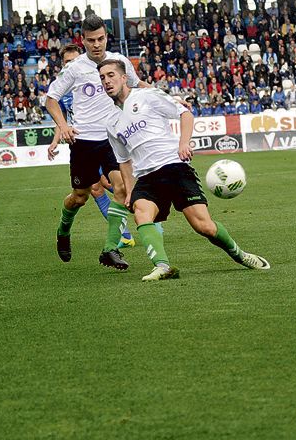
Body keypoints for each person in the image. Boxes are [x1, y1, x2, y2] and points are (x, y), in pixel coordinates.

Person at [98, 59, 270, 280]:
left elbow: (184, 113)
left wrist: (183, 143)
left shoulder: (147, 96)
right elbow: (124, 161)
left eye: (111, 75)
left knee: (204, 226)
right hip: (146, 177)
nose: (107, 81)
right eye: (102, 78)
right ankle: (162, 266)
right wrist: (130, 191)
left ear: (123, 77)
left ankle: (239, 254)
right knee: (142, 213)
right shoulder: (111, 122)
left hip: (173, 166)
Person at [43, 16, 148, 271]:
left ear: (106, 37)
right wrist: (64, 126)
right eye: (91, 40)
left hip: (113, 139)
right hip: (83, 142)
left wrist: (169, 98)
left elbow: (138, 86)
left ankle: (110, 249)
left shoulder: (119, 62)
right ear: (83, 40)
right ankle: (63, 230)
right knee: (79, 198)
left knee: (122, 187)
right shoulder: (75, 68)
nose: (97, 44)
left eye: (101, 39)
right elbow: (51, 99)